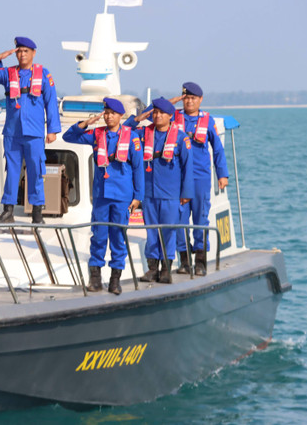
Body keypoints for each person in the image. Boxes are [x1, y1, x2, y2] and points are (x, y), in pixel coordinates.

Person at [63, 98, 143, 295]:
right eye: (106, 113)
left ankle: (115, 279)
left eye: (112, 113)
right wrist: (84, 124)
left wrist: (137, 196)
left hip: (122, 196)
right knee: (98, 236)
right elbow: (68, 137)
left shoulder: (132, 138)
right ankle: (95, 277)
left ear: (120, 116)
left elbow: (139, 169)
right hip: (101, 195)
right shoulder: (97, 134)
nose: (108, 116)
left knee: (118, 237)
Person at [0, 36, 61, 224]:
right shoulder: (8, 73)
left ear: (33, 53)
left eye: (26, 51)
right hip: (13, 132)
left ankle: (37, 212)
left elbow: (51, 102)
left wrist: (53, 129)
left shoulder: (43, 74)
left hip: (34, 132)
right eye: (19, 51)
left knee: (36, 171)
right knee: (12, 171)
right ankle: (8, 211)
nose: (22, 55)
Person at [172, 82, 229, 275]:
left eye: (193, 98)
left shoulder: (207, 120)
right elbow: (155, 112)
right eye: (186, 98)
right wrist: (173, 102)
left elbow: (218, 149)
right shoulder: (173, 117)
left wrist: (222, 174)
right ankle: (184, 260)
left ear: (200, 100)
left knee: (200, 220)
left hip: (200, 177)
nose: (189, 102)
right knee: (179, 220)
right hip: (178, 177)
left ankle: (201, 262)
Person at [136, 97, 194, 284]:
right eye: (155, 112)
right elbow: (126, 130)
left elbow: (187, 167)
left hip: (170, 194)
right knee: (151, 232)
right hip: (149, 193)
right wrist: (139, 117)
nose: (157, 115)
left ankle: (166, 269)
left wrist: (186, 193)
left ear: (170, 116)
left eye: (161, 113)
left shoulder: (180, 137)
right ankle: (152, 269)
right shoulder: (144, 133)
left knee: (168, 231)